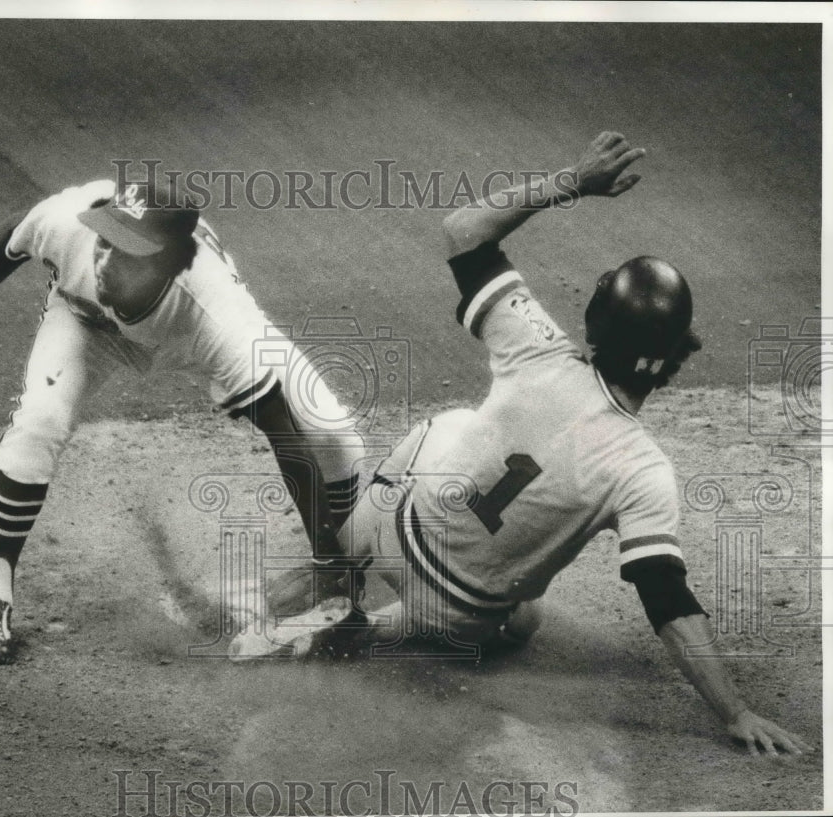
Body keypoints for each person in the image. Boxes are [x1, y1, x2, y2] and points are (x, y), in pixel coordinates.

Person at [238, 132, 811, 757]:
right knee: (526, 615)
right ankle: (371, 629)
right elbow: (667, 600)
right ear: (673, 357)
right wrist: (737, 711)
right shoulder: (644, 473)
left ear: (596, 325)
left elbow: (463, 231)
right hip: (455, 618)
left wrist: (573, 181)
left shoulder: (537, 350)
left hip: (390, 532)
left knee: (451, 423)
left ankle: (339, 562)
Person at [0, 170, 365, 664]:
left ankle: (346, 575)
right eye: (104, 240)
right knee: (39, 421)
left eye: (127, 252)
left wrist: (329, 566)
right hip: (89, 326)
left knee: (332, 432)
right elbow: (12, 234)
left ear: (168, 264)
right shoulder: (68, 223)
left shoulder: (216, 310)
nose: (104, 259)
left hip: (183, 333)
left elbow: (282, 431)